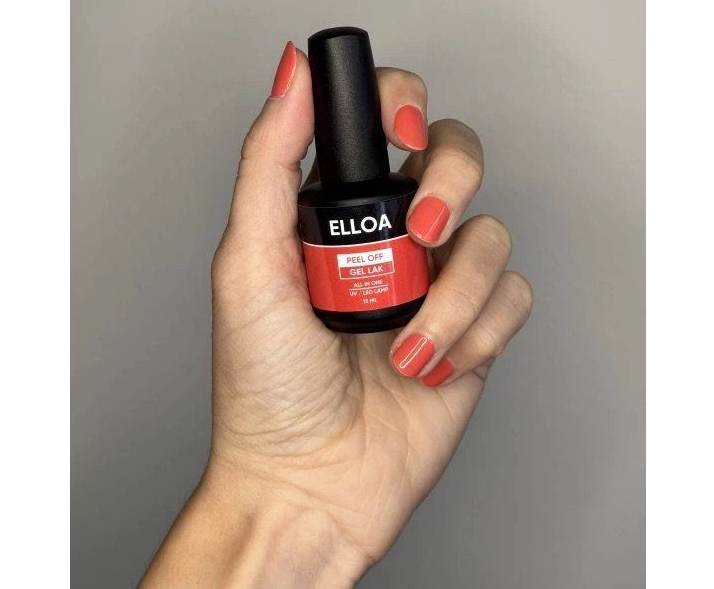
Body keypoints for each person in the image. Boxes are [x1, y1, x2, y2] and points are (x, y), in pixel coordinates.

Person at [140, 42, 533, 588]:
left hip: (380, 400)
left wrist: (285, 490)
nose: (364, 233)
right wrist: (276, 479)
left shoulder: (388, 195)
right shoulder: (319, 207)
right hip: (303, 439)